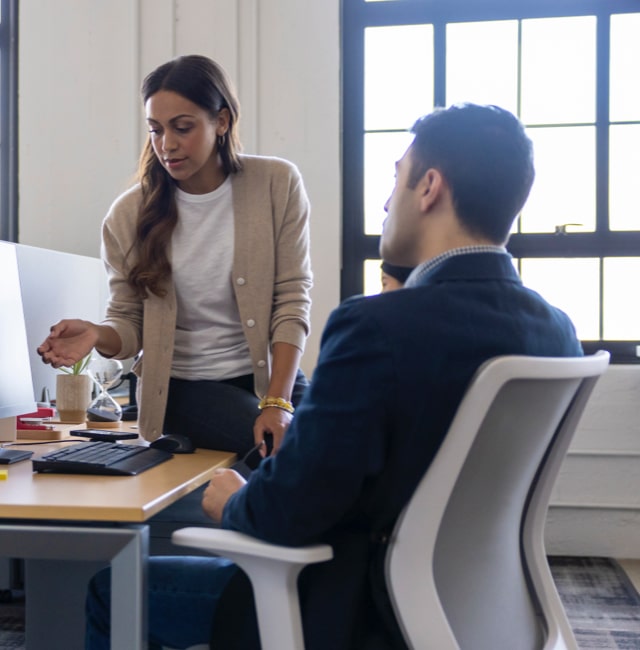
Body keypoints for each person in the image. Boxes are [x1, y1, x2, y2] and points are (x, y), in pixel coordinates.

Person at [85, 103, 583, 650]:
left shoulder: (376, 329)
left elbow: (285, 513)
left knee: (109, 588)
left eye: (397, 178)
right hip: (485, 611)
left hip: (348, 609)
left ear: (430, 188)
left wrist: (230, 500)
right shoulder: (556, 332)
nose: (390, 202)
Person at [37, 55, 312, 459]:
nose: (167, 144)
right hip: (183, 390)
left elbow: (292, 298)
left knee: (347, 445)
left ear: (221, 121)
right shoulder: (129, 215)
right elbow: (129, 322)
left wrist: (277, 402)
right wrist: (98, 334)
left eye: (183, 128)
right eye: (156, 130)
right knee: (290, 451)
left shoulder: (277, 184)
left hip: (268, 378)